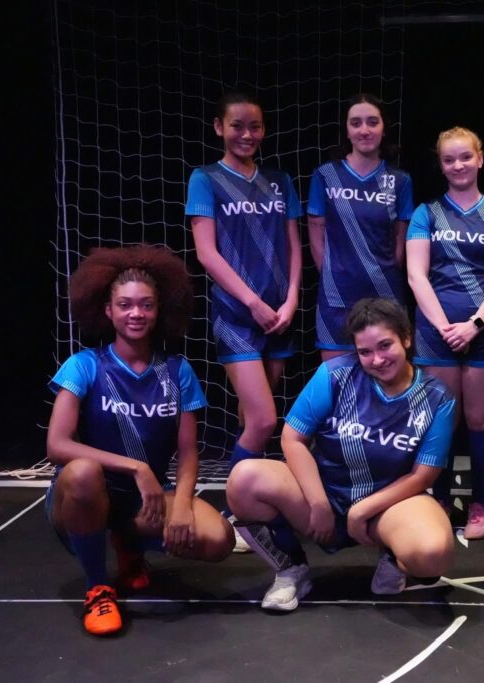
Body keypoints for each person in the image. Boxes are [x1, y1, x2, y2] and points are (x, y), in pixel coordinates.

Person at [46, 245, 234, 636]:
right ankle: (98, 589)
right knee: (82, 472)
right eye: (125, 305)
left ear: (158, 310)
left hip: (144, 500)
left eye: (146, 305)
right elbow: (57, 445)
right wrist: (137, 467)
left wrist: (181, 507)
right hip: (85, 496)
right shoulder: (84, 365)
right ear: (108, 311)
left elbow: (188, 453)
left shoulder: (178, 371)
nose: (136, 313)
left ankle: (129, 547)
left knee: (219, 540)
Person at [226, 298, 456, 612]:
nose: (377, 359)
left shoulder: (437, 397)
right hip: (324, 495)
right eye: (365, 352)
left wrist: (361, 512)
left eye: (385, 345)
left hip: (386, 505)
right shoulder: (335, 374)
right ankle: (291, 569)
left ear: (406, 338)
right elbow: (292, 438)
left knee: (432, 554)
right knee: (244, 479)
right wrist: (319, 503)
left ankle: (392, 558)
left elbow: (423, 476)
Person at [187, 90, 303, 543]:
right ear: (219, 127)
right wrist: (252, 302)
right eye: (237, 125)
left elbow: (294, 246)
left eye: (255, 126)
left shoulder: (280, 181)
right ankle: (239, 512)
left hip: (279, 316)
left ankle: (244, 498)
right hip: (237, 316)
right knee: (263, 421)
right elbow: (206, 253)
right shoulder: (205, 179)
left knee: (251, 415)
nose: (247, 134)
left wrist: (291, 300)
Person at [406, 126, 484, 540]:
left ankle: (479, 504)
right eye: (449, 159)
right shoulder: (426, 213)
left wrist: (474, 326)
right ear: (440, 165)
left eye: (465, 157)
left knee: (480, 419)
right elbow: (416, 275)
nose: (458, 165)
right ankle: (441, 501)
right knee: (444, 421)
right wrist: (443, 327)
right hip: (435, 332)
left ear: (480, 159)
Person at [307, 93, 415, 360]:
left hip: (385, 294)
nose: (364, 130)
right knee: (338, 380)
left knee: (385, 374)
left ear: (384, 128)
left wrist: (381, 273)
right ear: (346, 130)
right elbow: (316, 232)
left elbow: (400, 241)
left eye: (372, 122)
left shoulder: (400, 180)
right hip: (337, 297)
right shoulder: (325, 175)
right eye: (356, 123)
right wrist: (334, 275)